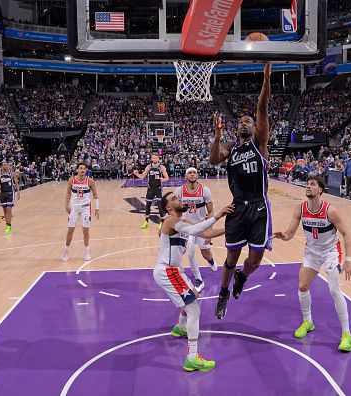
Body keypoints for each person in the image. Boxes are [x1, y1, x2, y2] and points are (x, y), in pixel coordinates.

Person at [209, 64, 272, 320]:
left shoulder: (261, 143)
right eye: (242, 121)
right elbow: (214, 160)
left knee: (255, 260)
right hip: (238, 206)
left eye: (249, 121)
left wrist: (266, 79)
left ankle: (242, 277)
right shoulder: (230, 147)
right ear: (237, 128)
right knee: (231, 256)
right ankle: (223, 293)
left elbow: (262, 109)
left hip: (259, 206)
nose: (246, 123)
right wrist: (216, 135)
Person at [273, 175, 351, 352]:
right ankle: (308, 321)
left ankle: (347, 334)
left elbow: (347, 234)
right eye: (308, 184)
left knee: (334, 289)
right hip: (312, 252)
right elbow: (290, 233)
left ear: (320, 190)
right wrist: (283, 236)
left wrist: (348, 261)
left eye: (313, 184)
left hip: (331, 252)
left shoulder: (330, 210)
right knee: (302, 286)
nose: (308, 186)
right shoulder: (300, 209)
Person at [154, 191, 232, 371]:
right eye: (174, 199)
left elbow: (205, 233)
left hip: (175, 271)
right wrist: (218, 215)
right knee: (194, 311)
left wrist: (230, 229)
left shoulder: (181, 222)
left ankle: (179, 328)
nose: (179, 199)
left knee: (193, 295)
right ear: (168, 207)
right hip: (168, 271)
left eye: (178, 197)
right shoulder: (170, 221)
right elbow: (194, 230)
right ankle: (192, 358)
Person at [175, 168, 217, 292]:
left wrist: (209, 231)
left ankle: (210, 260)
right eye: (190, 173)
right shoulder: (179, 191)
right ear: (186, 175)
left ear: (197, 175)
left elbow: (211, 212)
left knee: (206, 254)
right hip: (187, 228)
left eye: (194, 172)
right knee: (188, 252)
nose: (192, 174)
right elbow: (175, 210)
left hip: (201, 226)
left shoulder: (204, 190)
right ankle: (199, 280)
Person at [62, 163, 99, 262]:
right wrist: (66, 205)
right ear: (77, 170)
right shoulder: (71, 180)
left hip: (86, 208)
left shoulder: (90, 181)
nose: (82, 170)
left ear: (86, 170)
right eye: (80, 168)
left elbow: (95, 195)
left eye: (84, 169)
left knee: (85, 231)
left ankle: (87, 251)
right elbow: (68, 193)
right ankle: (66, 250)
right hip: (74, 208)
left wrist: (97, 208)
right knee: (70, 230)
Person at [133, 153, 169, 230]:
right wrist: (136, 174)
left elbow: (167, 178)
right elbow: (142, 177)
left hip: (158, 188)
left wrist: (163, 179)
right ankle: (146, 222)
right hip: (150, 188)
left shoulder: (162, 167)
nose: (155, 159)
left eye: (156, 158)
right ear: (151, 159)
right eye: (153, 158)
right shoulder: (149, 167)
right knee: (148, 205)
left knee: (160, 206)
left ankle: (161, 222)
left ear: (158, 159)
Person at [0, 161, 21, 235]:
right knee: (5, 211)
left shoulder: (12, 173)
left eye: (7, 164)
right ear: (2, 166)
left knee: (9, 209)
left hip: (10, 193)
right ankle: (7, 224)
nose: (6, 166)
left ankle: (8, 226)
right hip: (3, 193)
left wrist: (18, 192)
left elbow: (16, 183)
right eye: (4, 165)